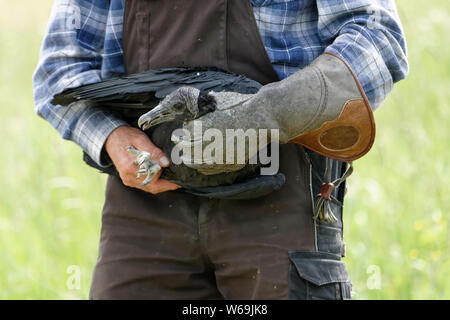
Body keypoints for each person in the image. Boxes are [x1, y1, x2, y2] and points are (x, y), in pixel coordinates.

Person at [33, 0, 408, 300]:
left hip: (282, 190)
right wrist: (111, 136)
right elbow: (60, 70)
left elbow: (378, 38)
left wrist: (264, 115)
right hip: (145, 206)